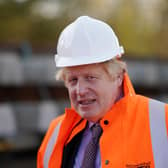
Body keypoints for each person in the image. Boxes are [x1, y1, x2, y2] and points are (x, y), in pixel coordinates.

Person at [37, 16, 168, 168]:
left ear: (118, 76)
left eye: (90, 77)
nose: (80, 90)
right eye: (73, 80)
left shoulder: (162, 122)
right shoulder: (55, 133)